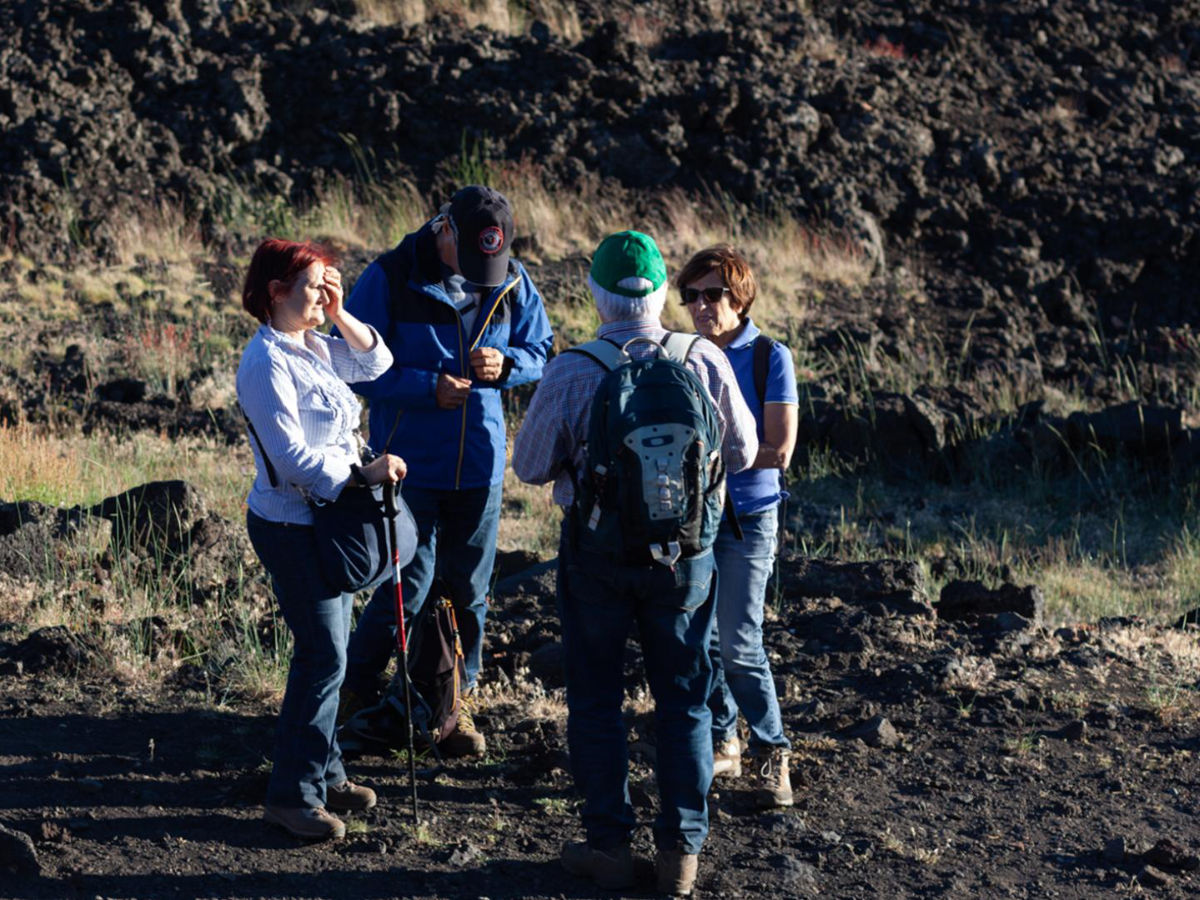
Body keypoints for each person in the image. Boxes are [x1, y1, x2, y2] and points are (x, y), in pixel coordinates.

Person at [512, 230, 758, 897]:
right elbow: (743, 451)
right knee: (685, 700)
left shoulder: (574, 368)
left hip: (595, 557)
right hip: (685, 561)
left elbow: (530, 465)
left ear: (595, 292)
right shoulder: (703, 357)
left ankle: (609, 847)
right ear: (659, 293)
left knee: (595, 699)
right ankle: (682, 855)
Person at [341, 185, 553, 757]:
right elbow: (349, 365)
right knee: (404, 587)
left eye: (497, 259)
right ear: (444, 229)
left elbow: (542, 349)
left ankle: (452, 705)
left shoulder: (511, 279)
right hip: (406, 467)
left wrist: (507, 366)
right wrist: (424, 387)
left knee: (470, 592)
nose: (487, 272)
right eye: (476, 257)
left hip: (479, 470)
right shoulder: (389, 276)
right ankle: (355, 692)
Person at [237, 238, 407, 840]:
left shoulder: (313, 346)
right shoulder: (265, 363)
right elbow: (290, 459)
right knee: (323, 656)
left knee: (327, 655)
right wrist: (361, 474)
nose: (323, 294)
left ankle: (327, 773)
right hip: (290, 524)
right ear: (276, 292)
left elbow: (376, 364)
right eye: (313, 286)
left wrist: (337, 312)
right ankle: (292, 796)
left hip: (328, 521)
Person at [678, 245, 799, 808]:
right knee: (699, 637)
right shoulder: (682, 355)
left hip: (749, 516)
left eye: (713, 294)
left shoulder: (770, 356)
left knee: (741, 641)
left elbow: (780, 449)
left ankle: (774, 751)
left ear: (740, 296)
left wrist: (710, 458)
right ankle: (726, 738)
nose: (701, 306)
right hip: (695, 517)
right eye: (692, 296)